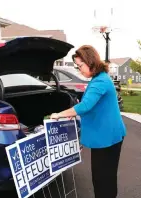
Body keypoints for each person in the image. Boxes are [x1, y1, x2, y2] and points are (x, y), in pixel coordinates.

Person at [50, 45, 126, 198]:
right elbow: (91, 105)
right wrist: (74, 114)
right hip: (107, 135)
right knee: (106, 178)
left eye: (80, 66)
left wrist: (59, 115)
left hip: (107, 138)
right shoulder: (99, 78)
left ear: (89, 61)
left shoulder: (100, 81)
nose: (79, 70)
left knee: (102, 179)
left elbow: (85, 106)